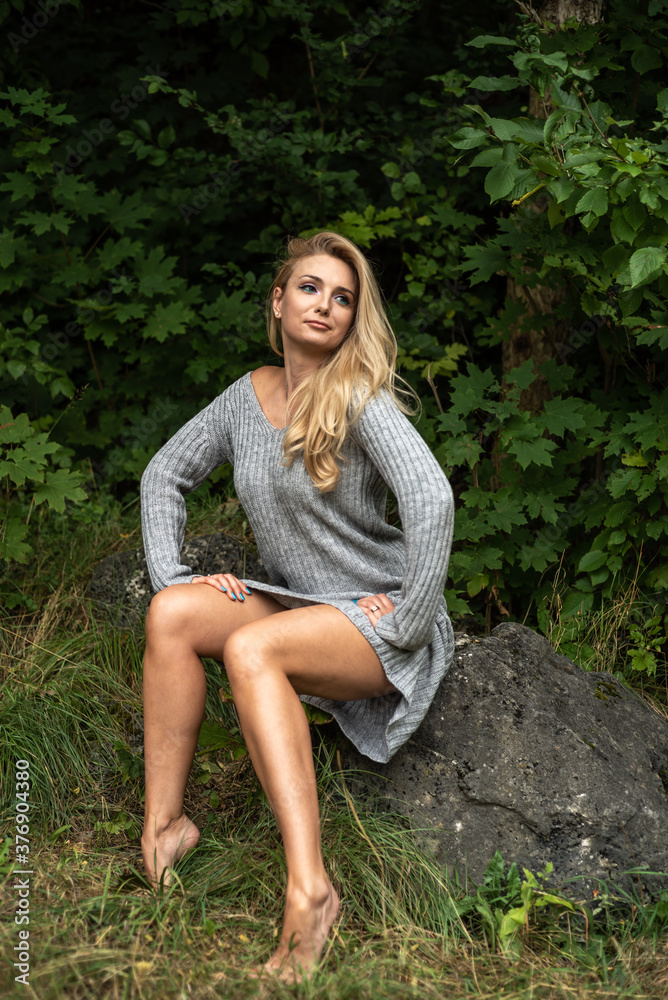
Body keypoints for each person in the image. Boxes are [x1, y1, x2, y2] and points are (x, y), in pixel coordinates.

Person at [139, 230, 455, 983]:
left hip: (372, 615)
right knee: (173, 615)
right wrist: (171, 574)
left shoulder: (356, 394)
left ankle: (311, 891)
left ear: (353, 318)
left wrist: (409, 618)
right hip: (298, 605)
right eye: (310, 288)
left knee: (254, 650)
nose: (326, 305)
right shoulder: (245, 397)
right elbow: (163, 477)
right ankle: (163, 832)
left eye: (343, 297)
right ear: (278, 301)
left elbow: (432, 500)